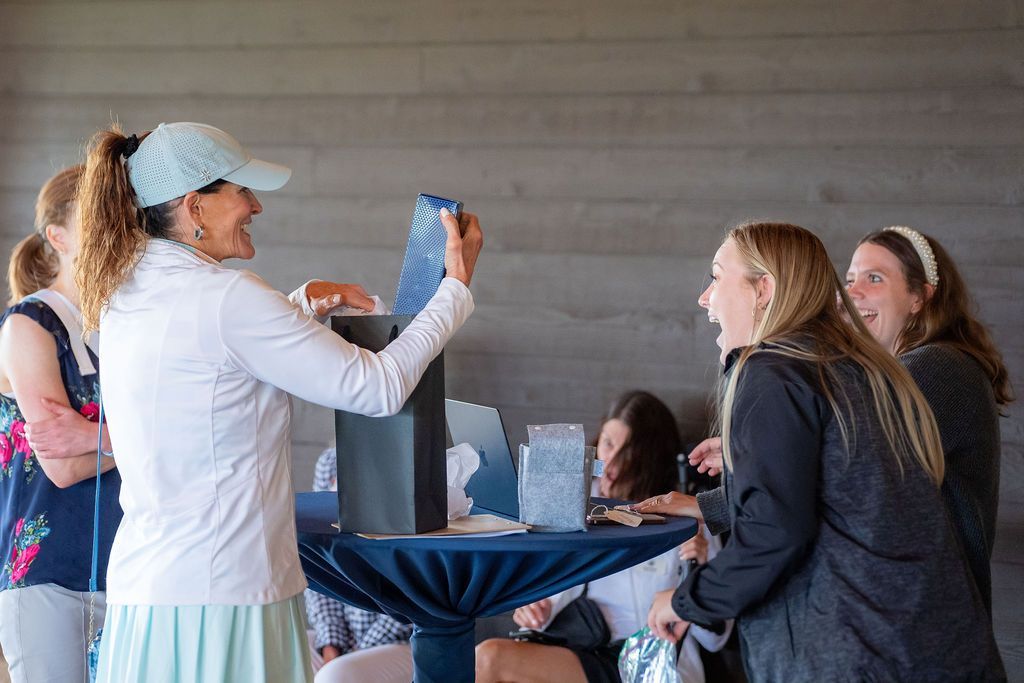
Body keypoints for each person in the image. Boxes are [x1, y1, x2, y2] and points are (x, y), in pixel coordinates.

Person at [73, 122, 482, 683]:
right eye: (241, 190)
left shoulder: (127, 296)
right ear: (195, 207)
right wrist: (453, 292)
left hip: (151, 594)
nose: (255, 205)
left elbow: (209, 365)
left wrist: (297, 308)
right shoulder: (225, 297)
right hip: (227, 597)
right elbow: (378, 388)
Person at [640, 222, 1003, 681]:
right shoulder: (850, 368)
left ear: (764, 288)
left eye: (716, 276)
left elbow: (775, 533)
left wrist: (686, 599)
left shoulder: (776, 371)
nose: (705, 297)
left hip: (864, 648)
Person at [476, 390, 731, 683]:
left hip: (655, 658)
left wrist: (699, 572)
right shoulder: (578, 501)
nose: (610, 460)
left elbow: (716, 639)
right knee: (488, 657)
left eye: (628, 451)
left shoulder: (686, 515)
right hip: (586, 651)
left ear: (649, 458)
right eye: (608, 442)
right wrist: (539, 607)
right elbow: (555, 588)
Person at [846, 226, 1012, 612]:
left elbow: (848, 463)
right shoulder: (902, 371)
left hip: (928, 620)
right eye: (850, 278)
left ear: (920, 296)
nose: (852, 293)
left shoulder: (936, 367)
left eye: (874, 278)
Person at [0, 166, 122, 683]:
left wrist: (98, 437)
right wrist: (158, 441)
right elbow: (64, 467)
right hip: (49, 575)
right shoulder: (29, 323)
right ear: (59, 237)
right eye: (98, 219)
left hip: (131, 566)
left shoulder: (127, 320)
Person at [304, 447, 414, 683]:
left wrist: (357, 652)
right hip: (345, 637)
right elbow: (318, 563)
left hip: (403, 640)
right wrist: (331, 646)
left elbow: (413, 591)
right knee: (275, 647)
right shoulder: (331, 460)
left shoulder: (409, 463)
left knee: (335, 676)